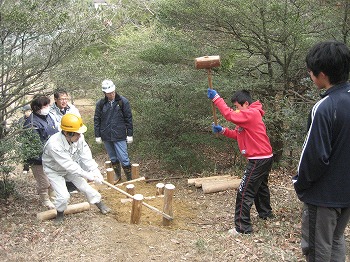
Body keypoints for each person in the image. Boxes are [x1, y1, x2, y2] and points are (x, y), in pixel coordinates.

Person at [293, 41, 350, 261]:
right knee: (335, 241)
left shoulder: (325, 107)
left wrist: (300, 184)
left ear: (322, 74)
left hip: (323, 197)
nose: (310, 75)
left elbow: (314, 156)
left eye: (310, 72)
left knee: (317, 250)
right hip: (345, 194)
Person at [207, 89, 274, 234]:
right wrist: (223, 130)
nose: (236, 110)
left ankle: (242, 228)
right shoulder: (249, 115)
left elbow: (229, 114)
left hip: (258, 159)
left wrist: (217, 98)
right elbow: (239, 134)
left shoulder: (251, 113)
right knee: (260, 187)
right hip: (264, 157)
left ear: (246, 104)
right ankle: (266, 214)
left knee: (244, 191)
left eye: (237, 106)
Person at [42, 113, 111, 224]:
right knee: (63, 195)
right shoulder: (54, 145)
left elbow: (86, 156)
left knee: (84, 186)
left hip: (71, 167)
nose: (80, 136)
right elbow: (69, 165)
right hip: (54, 170)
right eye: (77, 134)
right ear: (66, 133)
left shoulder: (79, 137)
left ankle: (99, 203)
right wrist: (88, 175)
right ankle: (59, 213)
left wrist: (95, 171)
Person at [94, 79, 133, 182]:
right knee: (113, 157)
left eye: (112, 92)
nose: (111, 94)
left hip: (119, 134)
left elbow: (128, 118)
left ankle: (129, 178)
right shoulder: (101, 104)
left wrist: (130, 134)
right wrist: (97, 135)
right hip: (106, 135)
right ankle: (117, 175)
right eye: (108, 93)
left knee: (124, 157)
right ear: (104, 93)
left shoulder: (123, 101)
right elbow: (97, 119)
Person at [23, 95, 59, 209]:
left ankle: (53, 197)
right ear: (37, 107)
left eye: (48, 105)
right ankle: (45, 200)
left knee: (53, 178)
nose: (47, 107)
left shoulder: (48, 117)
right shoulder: (31, 123)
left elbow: (55, 133)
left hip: (51, 154)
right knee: (43, 180)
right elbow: (34, 144)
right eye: (45, 105)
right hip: (38, 158)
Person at [49, 88, 81, 193]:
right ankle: (65, 185)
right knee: (63, 162)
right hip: (60, 139)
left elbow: (78, 120)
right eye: (61, 99)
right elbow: (54, 126)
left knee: (75, 159)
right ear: (56, 99)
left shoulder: (72, 108)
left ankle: (74, 183)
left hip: (73, 137)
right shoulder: (51, 111)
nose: (64, 101)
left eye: (66, 99)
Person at [19, 104, 32, 173]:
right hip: (24, 139)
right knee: (25, 154)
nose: (28, 112)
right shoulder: (21, 120)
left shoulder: (34, 119)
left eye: (29, 111)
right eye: (26, 111)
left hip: (33, 139)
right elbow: (19, 130)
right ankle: (26, 168)